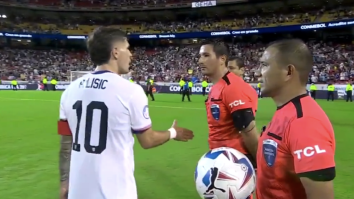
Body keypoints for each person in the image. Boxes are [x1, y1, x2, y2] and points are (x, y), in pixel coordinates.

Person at [57, 26, 194, 199]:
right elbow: (148, 140)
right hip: (116, 192)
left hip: (78, 192)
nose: (131, 54)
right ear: (115, 52)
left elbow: (65, 144)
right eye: (127, 48)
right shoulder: (131, 91)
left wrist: (64, 183)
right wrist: (173, 132)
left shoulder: (69, 91)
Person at [257, 39, 335, 199]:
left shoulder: (305, 122)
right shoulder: (286, 111)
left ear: (288, 72)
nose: (258, 72)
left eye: (265, 65)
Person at [198, 41, 259, 199]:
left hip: (234, 166)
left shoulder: (232, 87)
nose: (200, 60)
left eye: (206, 55)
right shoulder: (217, 86)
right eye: (200, 56)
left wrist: (260, 164)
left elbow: (248, 129)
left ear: (222, 59)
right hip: (220, 162)